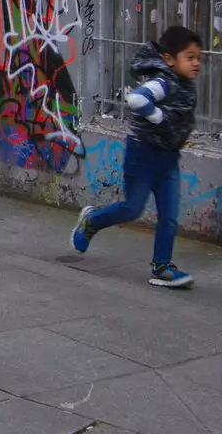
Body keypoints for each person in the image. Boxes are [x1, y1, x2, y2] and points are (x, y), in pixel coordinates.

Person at [71, 25, 203, 288]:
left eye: (199, 58)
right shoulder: (163, 81)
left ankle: (162, 266)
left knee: (169, 215)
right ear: (169, 59)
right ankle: (91, 221)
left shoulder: (183, 84)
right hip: (142, 153)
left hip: (168, 158)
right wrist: (160, 118)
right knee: (132, 209)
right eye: (189, 57)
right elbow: (137, 100)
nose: (196, 63)